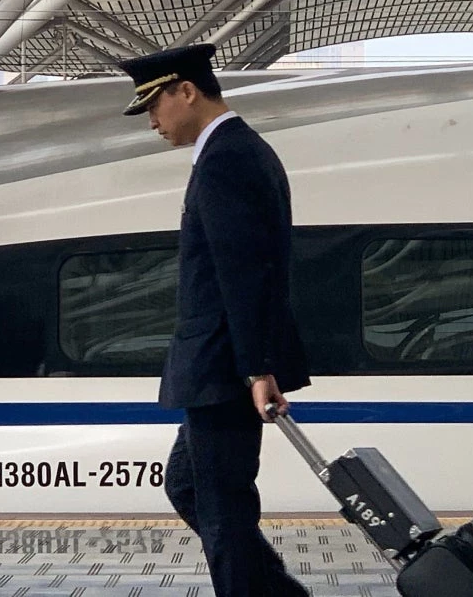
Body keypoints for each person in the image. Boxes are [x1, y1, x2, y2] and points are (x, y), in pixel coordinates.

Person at [118, 44, 311, 596]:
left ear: (187, 91)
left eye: (155, 103)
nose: (152, 120)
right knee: (188, 485)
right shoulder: (235, 151)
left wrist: (256, 370)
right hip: (220, 366)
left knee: (224, 513)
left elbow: (243, 271)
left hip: (225, 366)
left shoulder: (227, 157)